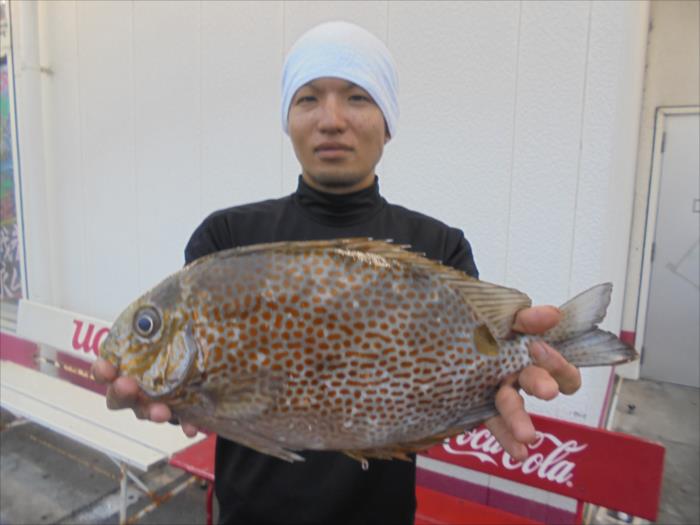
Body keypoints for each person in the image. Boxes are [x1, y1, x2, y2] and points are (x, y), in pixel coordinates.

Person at [92, 21, 581, 525]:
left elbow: (473, 357)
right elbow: (211, 396)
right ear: (288, 119)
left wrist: (506, 372)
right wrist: (169, 398)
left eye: (357, 97)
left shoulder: (440, 247)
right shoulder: (225, 238)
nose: (331, 119)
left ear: (387, 121)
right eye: (308, 98)